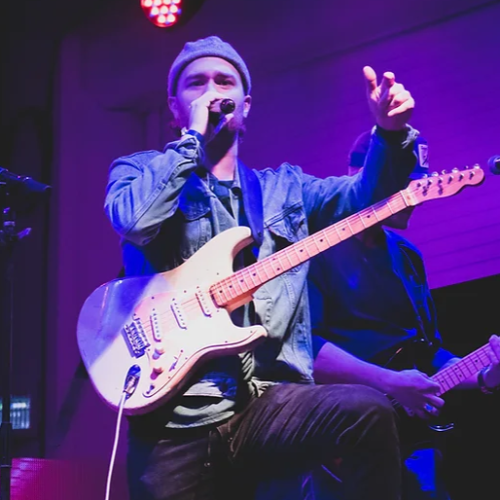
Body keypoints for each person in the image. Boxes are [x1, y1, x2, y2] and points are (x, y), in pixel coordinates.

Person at [104, 35, 419, 500]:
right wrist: (191, 140)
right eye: (197, 83)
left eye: (225, 81)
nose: (213, 92)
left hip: (270, 400)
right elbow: (134, 220)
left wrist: (389, 136)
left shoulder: (285, 188)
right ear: (175, 106)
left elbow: (364, 201)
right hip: (178, 414)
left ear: (246, 105)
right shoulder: (139, 169)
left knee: (367, 411)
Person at [308, 130, 500, 499]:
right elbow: (307, 350)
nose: (416, 198)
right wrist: (390, 383)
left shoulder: (408, 256)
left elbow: (429, 354)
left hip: (412, 446)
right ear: (362, 175)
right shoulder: (316, 251)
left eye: (419, 185)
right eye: (403, 185)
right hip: (342, 442)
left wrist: (486, 375)